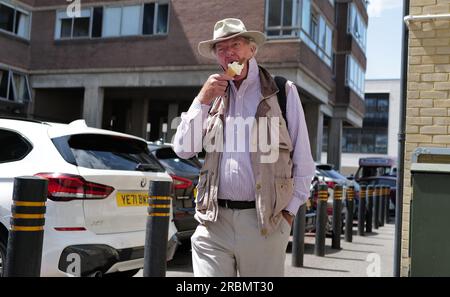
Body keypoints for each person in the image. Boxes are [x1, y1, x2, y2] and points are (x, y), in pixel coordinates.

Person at [173, 18, 315, 277]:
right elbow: (183, 149)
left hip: (264, 223)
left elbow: (304, 162)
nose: (229, 54)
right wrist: (201, 101)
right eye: (221, 49)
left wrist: (288, 215)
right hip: (212, 223)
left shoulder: (281, 92)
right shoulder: (212, 95)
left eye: (235, 45)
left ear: (252, 50)